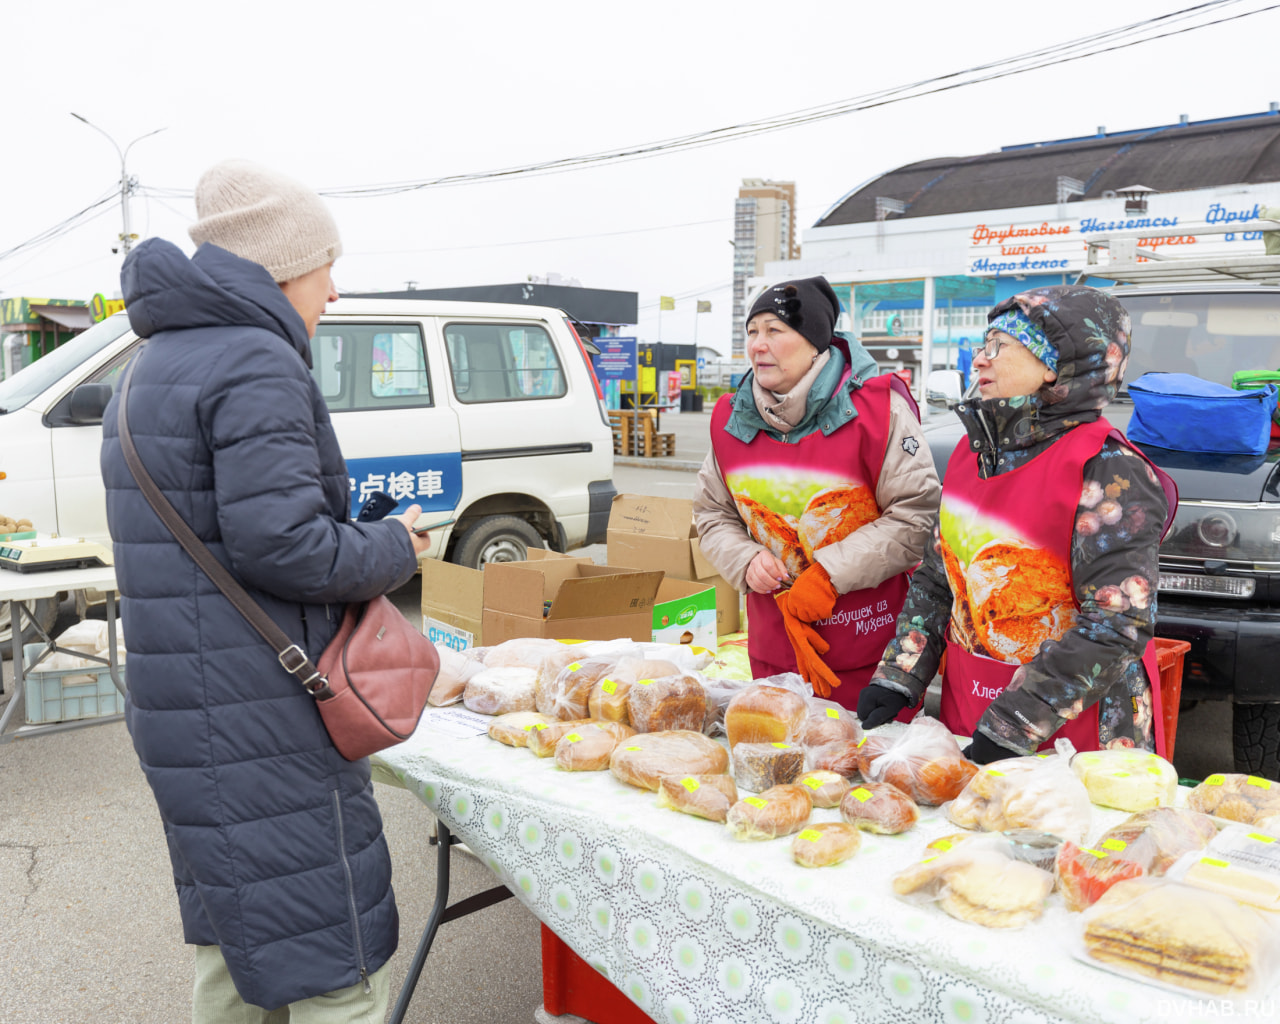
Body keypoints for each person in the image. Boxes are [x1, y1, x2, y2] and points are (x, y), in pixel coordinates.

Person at [100, 160, 430, 1020]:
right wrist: (394, 543)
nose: (334, 288)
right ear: (285, 266)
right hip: (264, 715)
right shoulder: (256, 362)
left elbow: (218, 534)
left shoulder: (148, 364)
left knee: (235, 941)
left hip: (183, 707)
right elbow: (286, 548)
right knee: (338, 962)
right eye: (327, 264)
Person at [859, 285, 1176, 762]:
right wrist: (900, 674)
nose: (979, 361)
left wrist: (1015, 722)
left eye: (998, 347)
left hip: (1071, 732)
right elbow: (938, 578)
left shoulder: (1107, 469)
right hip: (974, 712)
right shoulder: (974, 453)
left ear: (1053, 367)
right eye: (982, 346)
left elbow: (1117, 623)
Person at [693, 276, 940, 709]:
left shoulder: (878, 411)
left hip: (868, 653)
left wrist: (830, 573)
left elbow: (916, 514)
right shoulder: (729, 420)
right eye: (752, 332)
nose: (757, 345)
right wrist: (746, 559)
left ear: (814, 342)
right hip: (773, 651)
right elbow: (713, 514)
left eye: (774, 330)